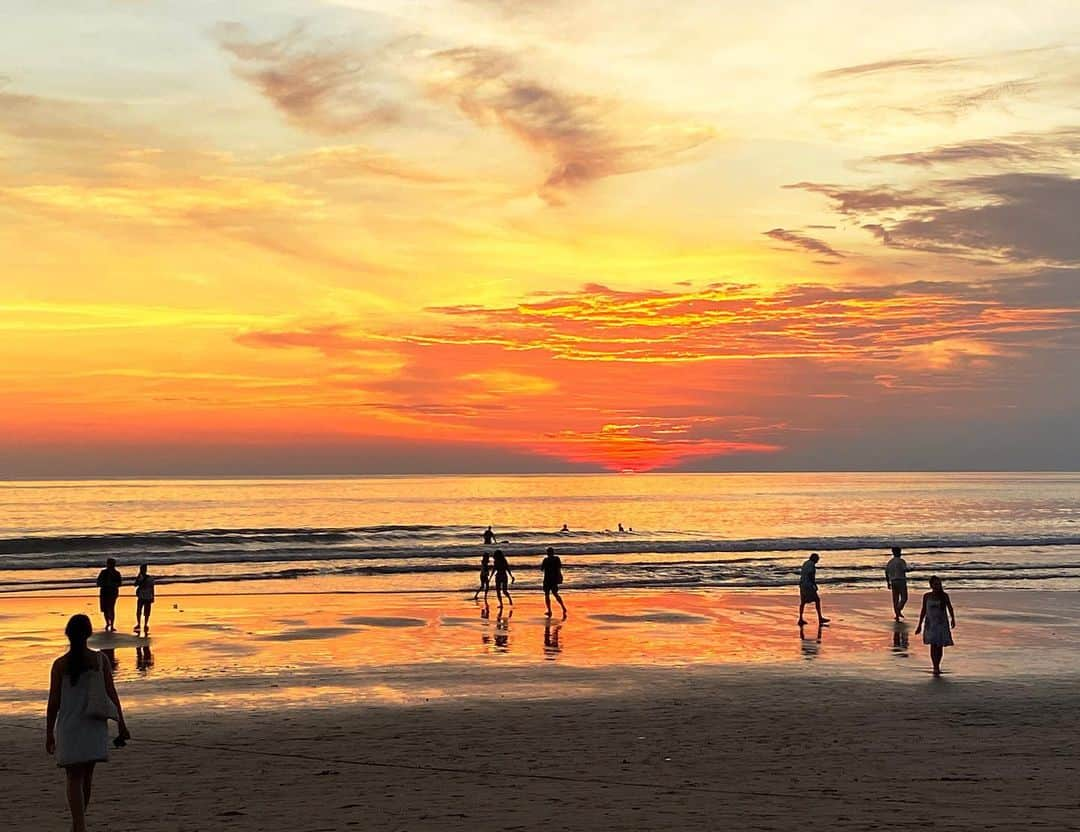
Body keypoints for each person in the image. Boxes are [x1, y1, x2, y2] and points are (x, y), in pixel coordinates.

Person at [46, 614, 130, 832]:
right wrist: (121, 723)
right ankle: (79, 824)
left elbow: (53, 702)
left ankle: (79, 825)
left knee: (73, 776)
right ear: (89, 634)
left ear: (68, 634)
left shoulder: (60, 664)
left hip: (69, 726)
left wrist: (49, 733)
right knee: (87, 775)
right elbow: (112, 694)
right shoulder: (99, 660)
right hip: (93, 725)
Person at [915, 576, 956, 676]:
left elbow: (950, 608)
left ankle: (938, 665)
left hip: (941, 623)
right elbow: (923, 610)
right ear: (931, 585)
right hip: (930, 623)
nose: (937, 586)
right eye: (935, 584)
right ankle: (935, 666)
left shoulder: (944, 596)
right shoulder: (927, 596)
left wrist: (953, 619)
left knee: (939, 646)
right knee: (933, 645)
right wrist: (919, 624)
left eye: (938, 584)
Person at [797, 553, 829, 626]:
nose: (818, 560)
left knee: (803, 602)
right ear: (814, 559)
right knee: (817, 600)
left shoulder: (805, 563)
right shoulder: (812, 565)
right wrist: (814, 585)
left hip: (802, 584)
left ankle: (800, 618)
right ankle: (820, 618)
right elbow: (811, 576)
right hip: (808, 585)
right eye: (817, 559)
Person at [95, 559, 122, 633]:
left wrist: (112, 584)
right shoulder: (103, 572)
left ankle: (112, 625)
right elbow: (98, 582)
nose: (109, 565)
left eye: (111, 564)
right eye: (109, 564)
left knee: (111, 608)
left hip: (112, 592)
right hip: (104, 591)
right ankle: (107, 623)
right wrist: (104, 584)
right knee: (105, 609)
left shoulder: (116, 573)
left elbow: (120, 583)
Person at [884, 546, 911, 622]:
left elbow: (886, 572)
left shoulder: (890, 562)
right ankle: (899, 609)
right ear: (899, 552)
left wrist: (888, 582)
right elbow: (905, 569)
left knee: (895, 599)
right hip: (901, 580)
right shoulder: (901, 561)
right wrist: (912, 569)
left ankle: (897, 614)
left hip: (893, 581)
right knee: (904, 598)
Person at [540, 547, 567, 617]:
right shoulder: (557, 559)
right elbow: (559, 568)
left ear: (547, 553)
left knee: (547, 595)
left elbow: (541, 569)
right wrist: (560, 576)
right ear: (553, 552)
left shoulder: (545, 560)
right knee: (555, 593)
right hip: (554, 579)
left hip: (547, 579)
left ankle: (549, 610)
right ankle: (563, 607)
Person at [133, 563, 155, 636]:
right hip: (143, 596)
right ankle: (141, 624)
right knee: (140, 610)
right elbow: (135, 584)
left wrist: (153, 596)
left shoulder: (149, 578)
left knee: (145, 611)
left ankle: (144, 624)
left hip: (146, 596)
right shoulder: (143, 577)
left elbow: (152, 588)